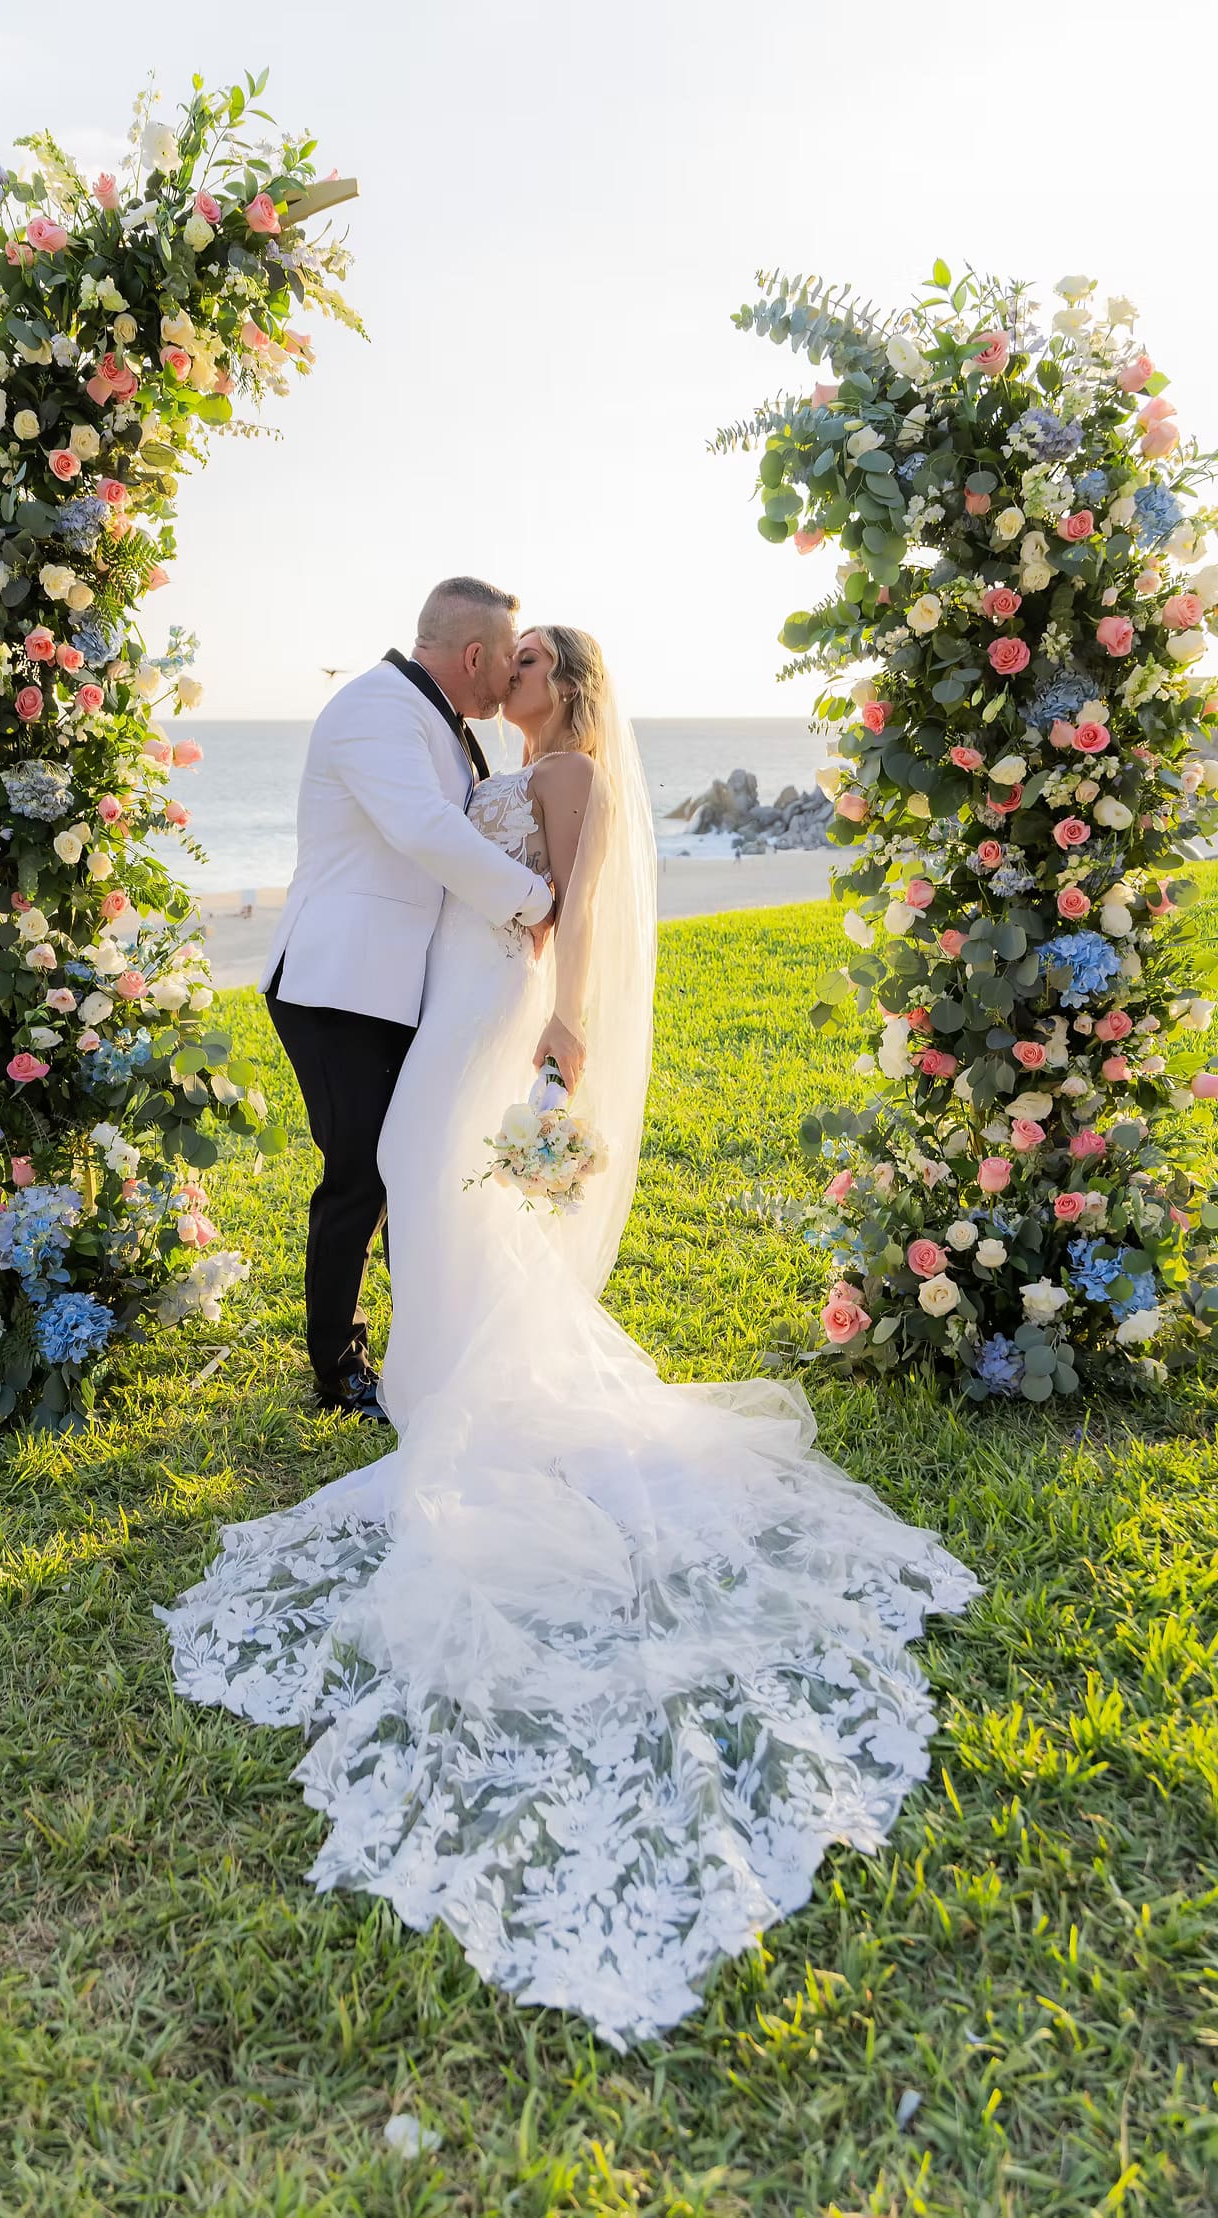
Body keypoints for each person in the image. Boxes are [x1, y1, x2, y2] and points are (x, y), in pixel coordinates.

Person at [161, 628, 978, 2048]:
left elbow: (582, 909)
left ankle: (467, 1376)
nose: (515, 667)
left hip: (502, 1014)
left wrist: (571, 1035)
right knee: (425, 1186)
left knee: (434, 1183)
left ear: (566, 681)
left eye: (534, 655)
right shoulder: (512, 758)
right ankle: (435, 1368)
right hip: (454, 1008)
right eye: (511, 651)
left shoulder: (580, 771)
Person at [259, 578, 554, 1419]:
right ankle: (338, 1368)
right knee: (358, 1173)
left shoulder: (446, 724)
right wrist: (536, 902)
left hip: (403, 987)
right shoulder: (375, 707)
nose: (510, 673)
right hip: (335, 983)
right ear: (475, 656)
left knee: (412, 1166)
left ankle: (422, 1344)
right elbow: (426, 831)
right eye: (508, 656)